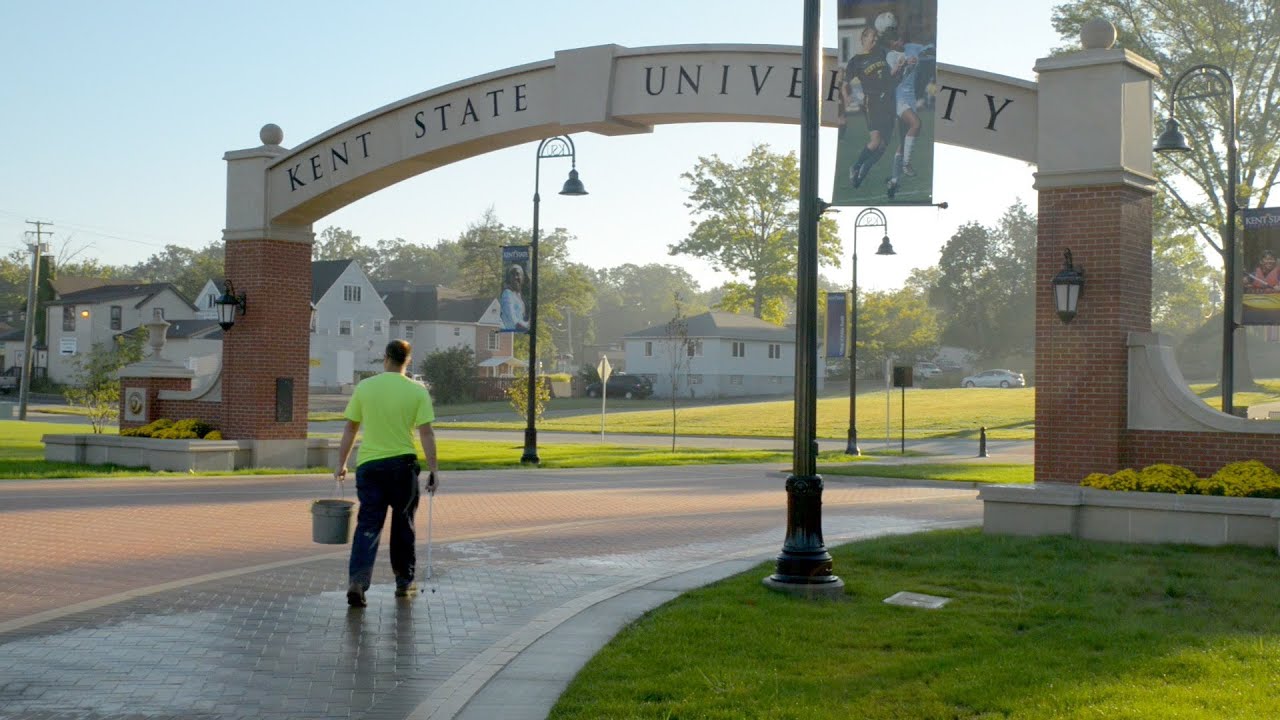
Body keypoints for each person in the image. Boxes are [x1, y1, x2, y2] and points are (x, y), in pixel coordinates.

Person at [335, 339, 439, 607]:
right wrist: (433, 469)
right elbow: (426, 433)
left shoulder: (366, 387)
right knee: (403, 522)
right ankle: (404, 582)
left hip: (370, 466)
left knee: (368, 523)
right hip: (402, 467)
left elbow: (350, 428)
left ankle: (358, 581)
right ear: (408, 361)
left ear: (385, 358)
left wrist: (341, 463)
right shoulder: (417, 391)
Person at [844, 25, 898, 191]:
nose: (874, 41)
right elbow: (844, 83)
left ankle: (860, 175)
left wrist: (899, 67)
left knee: (882, 147)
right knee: (875, 141)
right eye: (871, 38)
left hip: (888, 101)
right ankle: (856, 166)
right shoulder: (856, 61)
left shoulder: (881, 53)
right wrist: (847, 97)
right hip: (872, 102)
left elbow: (889, 76)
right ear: (863, 38)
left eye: (876, 38)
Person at [884, 36, 935, 199]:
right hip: (898, 98)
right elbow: (893, 75)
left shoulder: (912, 47)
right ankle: (906, 164)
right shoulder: (890, 56)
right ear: (890, 43)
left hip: (911, 98)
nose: (899, 42)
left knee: (903, 142)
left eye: (900, 38)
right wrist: (905, 63)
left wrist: (928, 50)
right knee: (916, 124)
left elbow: (929, 48)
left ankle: (894, 181)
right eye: (895, 40)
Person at [499, 263, 529, 332]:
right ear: (509, 279)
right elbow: (513, 321)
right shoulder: (507, 294)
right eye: (512, 275)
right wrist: (528, 325)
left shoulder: (518, 295)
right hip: (509, 332)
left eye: (517, 274)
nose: (515, 277)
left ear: (523, 278)